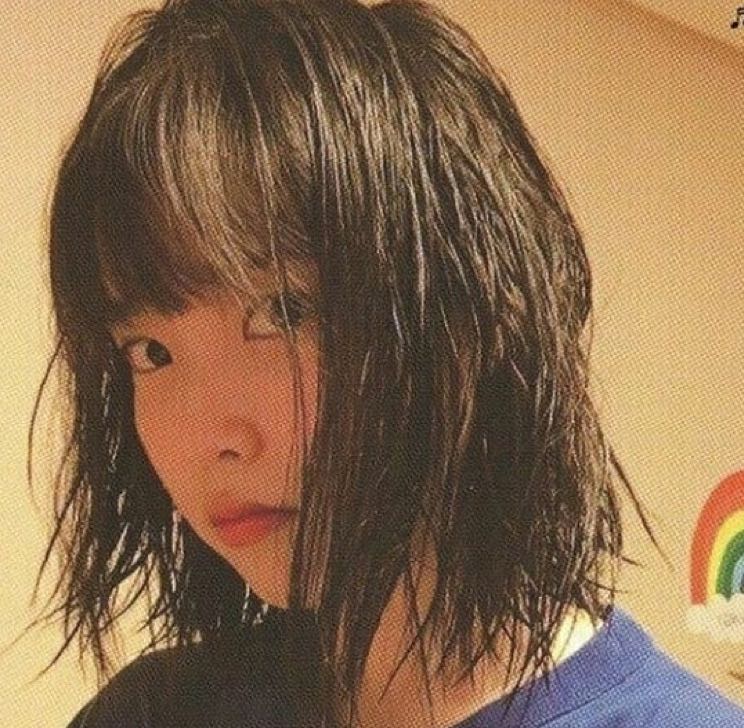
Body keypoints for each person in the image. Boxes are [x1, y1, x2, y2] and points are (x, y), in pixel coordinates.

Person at [22, 0, 744, 726]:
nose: (207, 439)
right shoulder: (151, 713)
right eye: (151, 352)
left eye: (283, 312)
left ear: (475, 314)